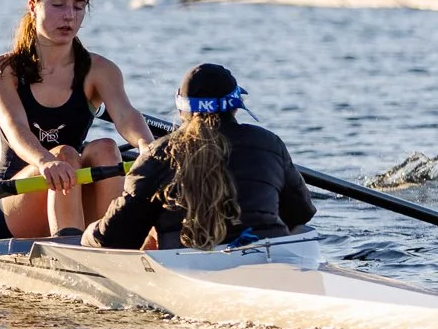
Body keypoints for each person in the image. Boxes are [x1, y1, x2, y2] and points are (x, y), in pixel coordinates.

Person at [0, 0, 152, 238]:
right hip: (7, 202)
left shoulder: (100, 70)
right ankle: (70, 246)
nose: (70, 16)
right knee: (64, 155)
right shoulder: (3, 70)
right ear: (33, 6)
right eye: (58, 4)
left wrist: (147, 145)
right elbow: (15, 129)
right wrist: (45, 161)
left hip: (67, 183)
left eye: (79, 6)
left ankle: (115, 242)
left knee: (106, 148)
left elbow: (126, 115)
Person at [84, 64, 315, 251]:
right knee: (301, 233)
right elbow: (301, 213)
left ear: (182, 110)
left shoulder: (159, 153)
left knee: (96, 236)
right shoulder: (269, 142)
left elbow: (116, 239)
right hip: (267, 255)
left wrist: (87, 235)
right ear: (236, 106)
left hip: (189, 264)